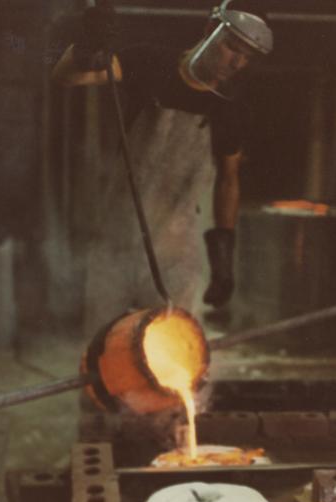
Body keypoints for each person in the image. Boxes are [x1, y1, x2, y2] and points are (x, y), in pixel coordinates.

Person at [52, 0, 273, 319]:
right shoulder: (149, 62)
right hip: (115, 241)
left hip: (177, 253)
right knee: (105, 348)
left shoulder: (229, 107)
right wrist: (86, 45)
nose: (237, 62)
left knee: (169, 354)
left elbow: (228, 179)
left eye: (247, 57)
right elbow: (66, 78)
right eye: (231, 47)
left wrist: (223, 256)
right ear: (211, 29)